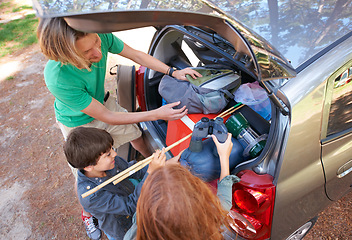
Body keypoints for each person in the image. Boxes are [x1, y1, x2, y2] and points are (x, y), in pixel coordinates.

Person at [36, 17, 201, 239]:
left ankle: (155, 169)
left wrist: (173, 72)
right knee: (87, 174)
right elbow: (106, 117)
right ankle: (88, 213)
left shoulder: (98, 35)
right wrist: (157, 114)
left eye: (96, 42)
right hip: (78, 122)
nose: (98, 52)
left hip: (102, 103)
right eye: (87, 53)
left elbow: (136, 55)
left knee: (136, 136)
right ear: (66, 56)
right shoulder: (57, 77)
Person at [64, 127, 177, 240]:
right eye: (108, 154)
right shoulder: (91, 196)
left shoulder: (110, 162)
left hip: (135, 199)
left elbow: (135, 171)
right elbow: (130, 206)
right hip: (124, 228)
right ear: (89, 167)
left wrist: (170, 162)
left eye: (112, 149)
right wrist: (151, 173)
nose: (114, 154)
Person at [123, 133, 240, 240]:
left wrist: (161, 171)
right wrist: (224, 157)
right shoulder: (204, 222)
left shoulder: (134, 234)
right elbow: (223, 204)